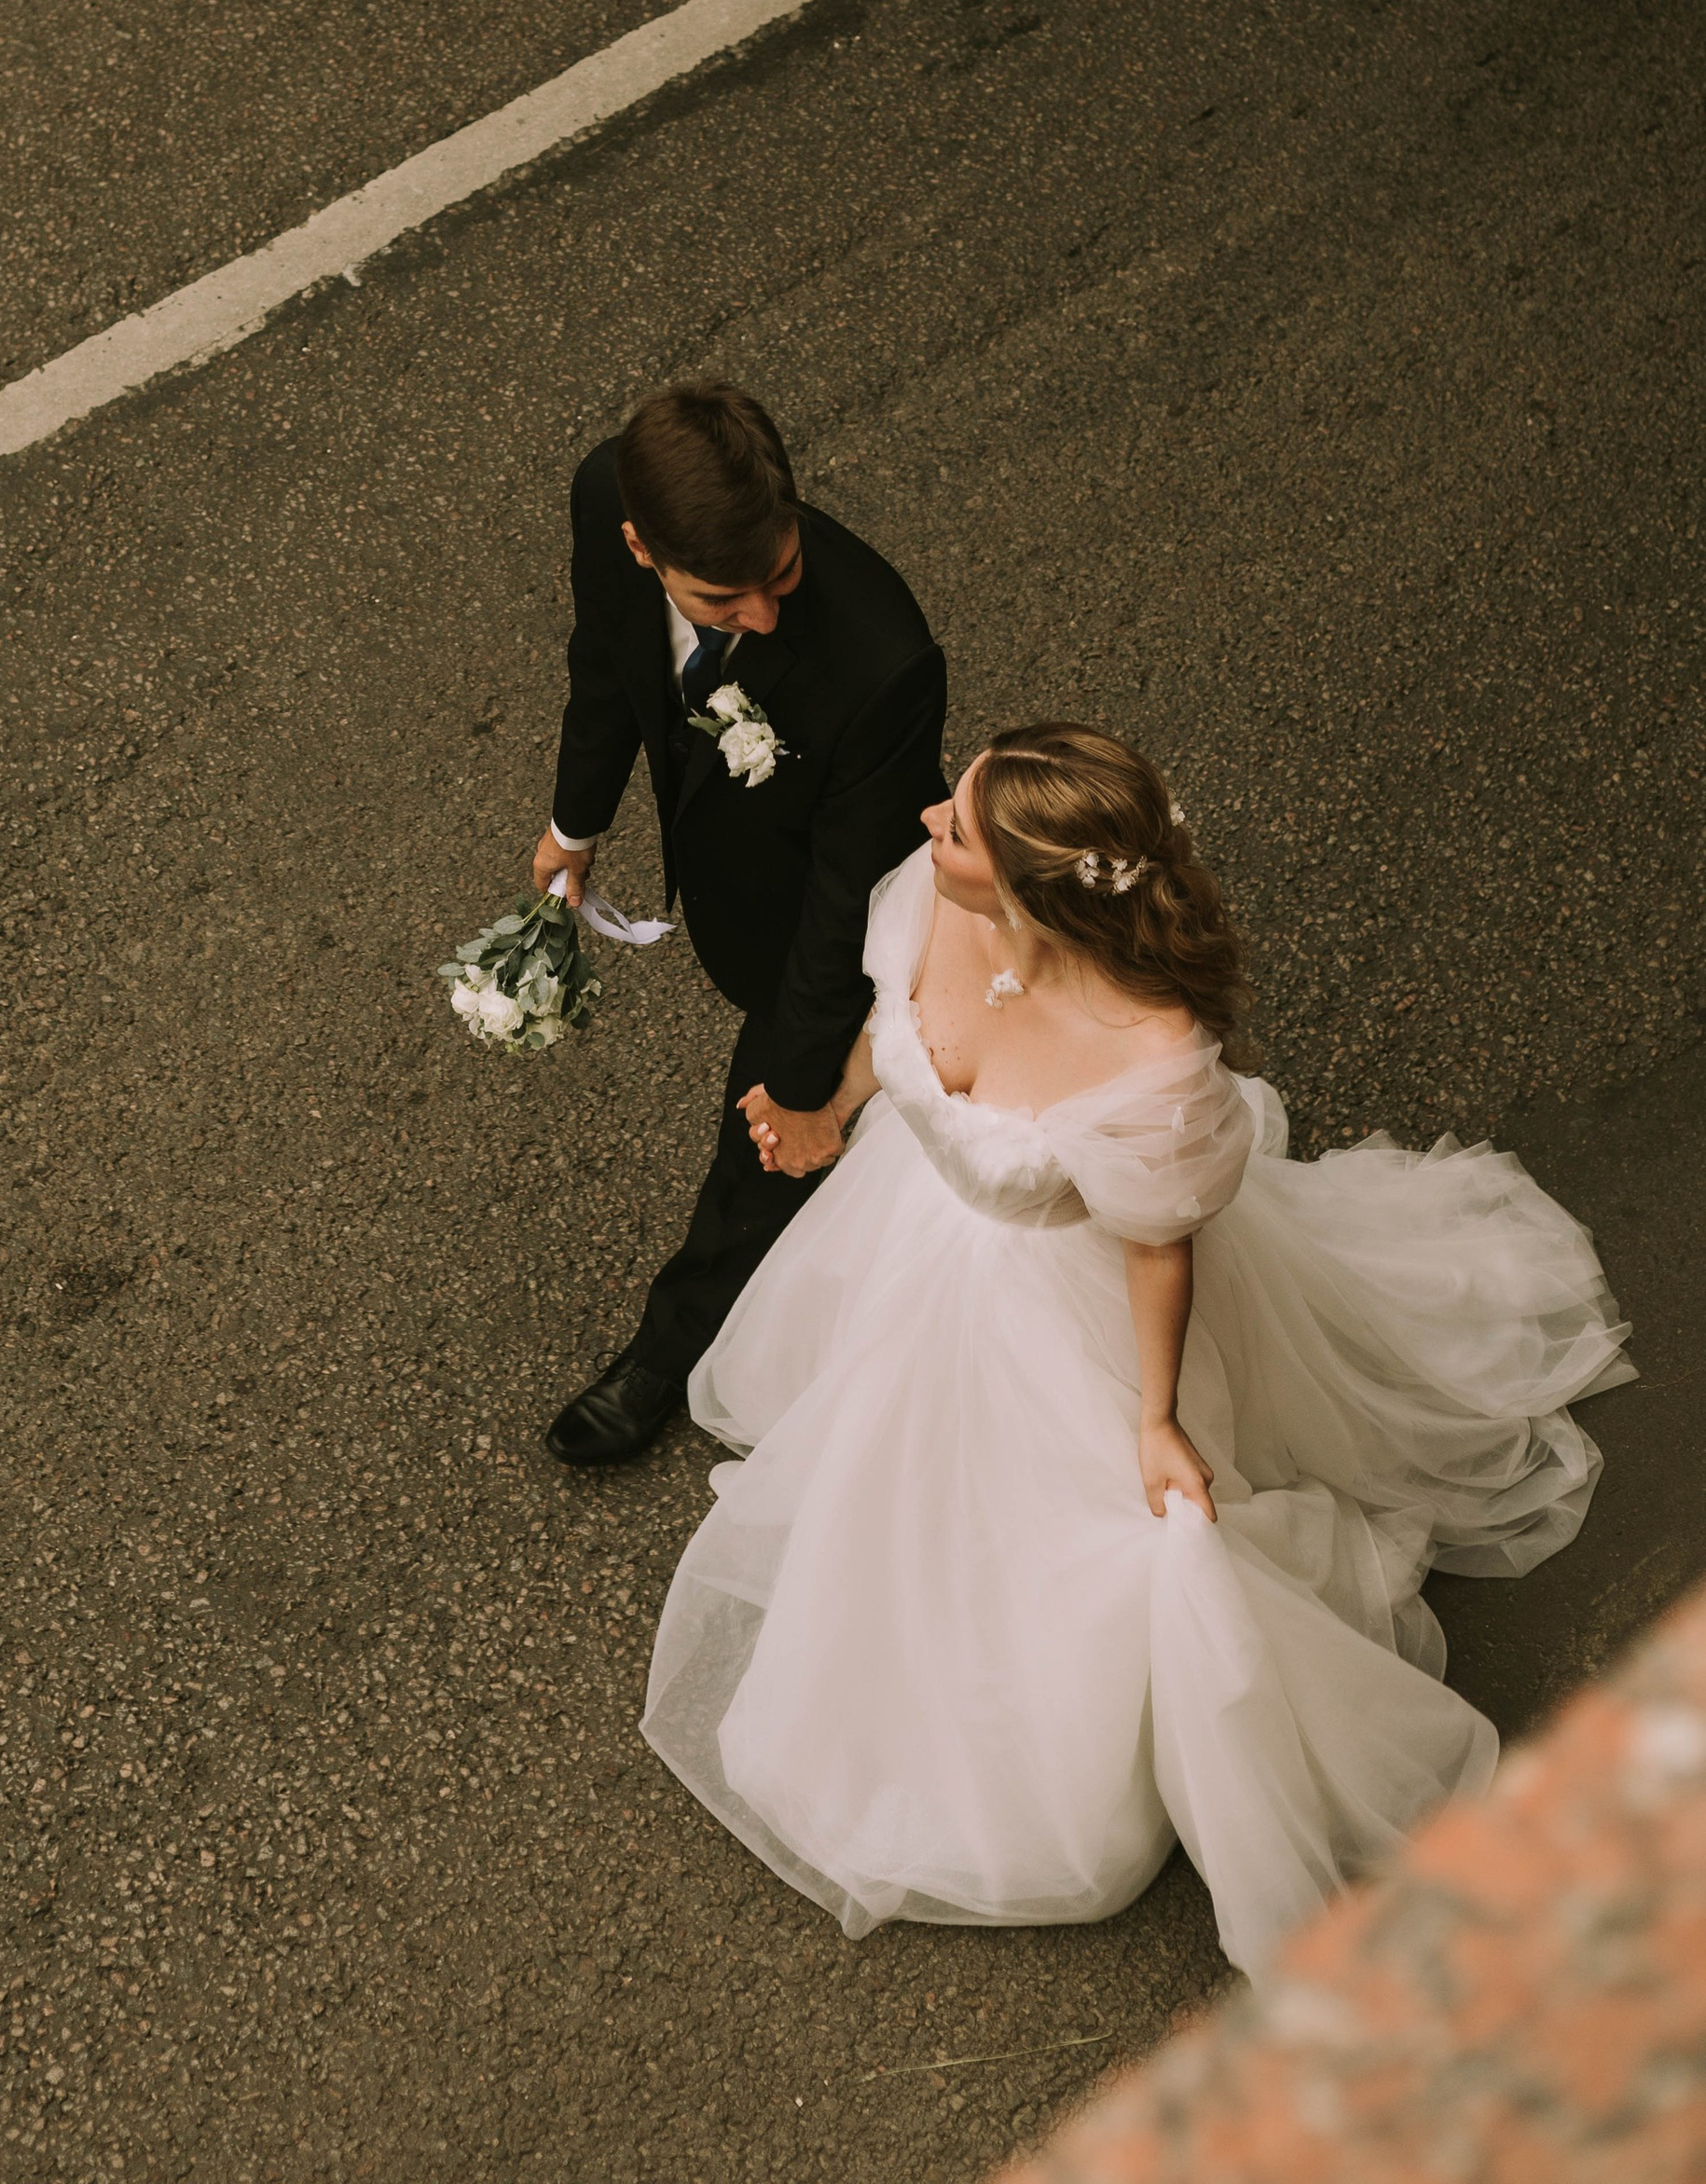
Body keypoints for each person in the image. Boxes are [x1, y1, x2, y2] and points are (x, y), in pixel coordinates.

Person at [640, 726, 1631, 1986]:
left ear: (1033, 894)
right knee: (887, 1468)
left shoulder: (1154, 1058)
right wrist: (833, 1114)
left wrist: (1156, 1417)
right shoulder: (931, 892)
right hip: (919, 1238)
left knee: (1053, 1519)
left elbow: (1159, 1248)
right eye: (956, 804)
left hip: (1066, 1299)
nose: (931, 823)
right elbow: (893, 1029)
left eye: (958, 827)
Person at [535, 381, 947, 1465]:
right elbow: (606, 665)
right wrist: (574, 826)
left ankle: (667, 1353)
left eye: (782, 577)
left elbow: (842, 908)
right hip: (736, 864)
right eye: (725, 600)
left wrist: (805, 1088)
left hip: (827, 904)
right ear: (639, 543)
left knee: (773, 1119)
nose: (763, 617)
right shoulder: (599, 495)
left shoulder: (883, 662)